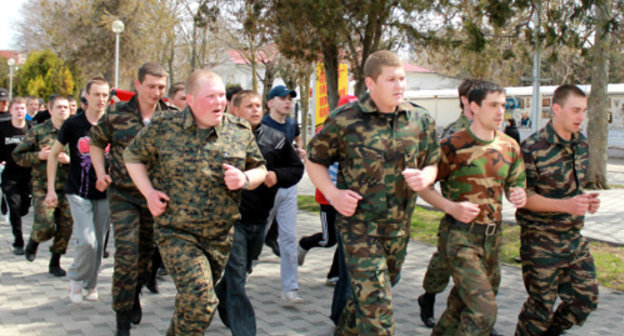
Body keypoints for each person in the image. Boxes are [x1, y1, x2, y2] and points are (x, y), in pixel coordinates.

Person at [124, 69, 267, 336]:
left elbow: (261, 168)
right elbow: (132, 157)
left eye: (222, 95)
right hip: (177, 232)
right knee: (202, 300)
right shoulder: (164, 127)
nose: (219, 102)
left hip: (219, 238)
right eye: (210, 96)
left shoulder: (238, 130)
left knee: (192, 303)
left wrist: (245, 178)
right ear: (190, 99)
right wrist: (149, 193)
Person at [307, 50, 440, 335]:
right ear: (371, 83)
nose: (400, 85)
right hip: (359, 229)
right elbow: (314, 160)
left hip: (398, 230)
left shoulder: (419, 119)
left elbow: (433, 161)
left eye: (402, 78)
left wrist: (426, 176)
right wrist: (333, 193)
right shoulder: (345, 120)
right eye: (391, 79)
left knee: (365, 300)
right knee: (378, 310)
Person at [423, 81, 527, 336]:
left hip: (492, 238)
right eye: (493, 105)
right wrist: (451, 207)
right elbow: (422, 187)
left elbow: (516, 187)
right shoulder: (452, 145)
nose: (500, 111)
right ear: (473, 107)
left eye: (503, 105)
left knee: (460, 307)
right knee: (483, 311)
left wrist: (519, 195)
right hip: (460, 236)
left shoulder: (510, 147)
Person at [89, 63, 174, 336]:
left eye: (161, 87)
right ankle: (122, 319)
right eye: (151, 86)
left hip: (155, 198)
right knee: (126, 256)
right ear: (137, 85)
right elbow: (96, 142)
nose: (156, 92)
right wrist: (101, 172)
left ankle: (135, 291)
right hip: (123, 194)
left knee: (146, 258)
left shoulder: (171, 117)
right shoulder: (116, 113)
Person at [215, 89, 304, 336]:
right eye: (249, 106)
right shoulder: (221, 137)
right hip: (231, 220)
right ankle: (243, 329)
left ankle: (219, 296)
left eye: (257, 106)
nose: (256, 110)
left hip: (259, 220)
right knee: (237, 279)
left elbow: (296, 168)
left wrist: (278, 175)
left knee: (241, 271)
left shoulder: (275, 139)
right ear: (234, 110)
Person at [515, 84, 600, 336]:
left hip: (573, 238)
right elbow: (523, 198)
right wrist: (566, 205)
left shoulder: (581, 144)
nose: (580, 117)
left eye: (583, 110)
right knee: (539, 308)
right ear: (556, 109)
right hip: (540, 240)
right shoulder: (532, 148)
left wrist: (586, 201)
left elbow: (573, 189)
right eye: (575, 110)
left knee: (586, 300)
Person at [417, 78, 480, 329]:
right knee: (443, 264)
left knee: (481, 272)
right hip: (456, 213)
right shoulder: (454, 133)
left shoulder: (492, 132)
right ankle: (428, 297)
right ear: (466, 101)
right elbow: (434, 172)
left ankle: (480, 316)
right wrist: (447, 205)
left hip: (484, 217)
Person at [45, 78, 111, 305]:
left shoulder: (112, 123)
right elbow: (53, 154)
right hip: (78, 191)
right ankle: (75, 278)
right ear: (87, 96)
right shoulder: (73, 124)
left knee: (99, 243)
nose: (101, 100)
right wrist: (50, 189)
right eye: (97, 95)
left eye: (105, 95)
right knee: (87, 240)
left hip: (105, 193)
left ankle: (91, 284)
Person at [298, 95, 358, 287]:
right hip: (327, 196)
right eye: (347, 109)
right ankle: (304, 244)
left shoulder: (359, 135)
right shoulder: (326, 134)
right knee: (329, 238)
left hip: (349, 198)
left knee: (345, 237)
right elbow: (314, 162)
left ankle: (334, 274)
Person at [13, 95, 72, 276]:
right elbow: (18, 156)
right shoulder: (38, 131)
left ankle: (55, 262)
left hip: (67, 187)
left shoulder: (73, 132)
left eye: (66, 107)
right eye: (59, 107)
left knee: (66, 226)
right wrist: (38, 156)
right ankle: (34, 240)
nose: (63, 110)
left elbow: (86, 158)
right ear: (50, 109)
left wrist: (69, 160)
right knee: (46, 224)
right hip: (42, 186)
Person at [0, 97, 32, 255]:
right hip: (10, 174)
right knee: (14, 206)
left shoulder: (32, 128)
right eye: (17, 108)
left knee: (24, 207)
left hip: (28, 175)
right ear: (10, 111)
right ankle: (18, 241)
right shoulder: (3, 128)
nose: (20, 111)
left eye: (22, 109)